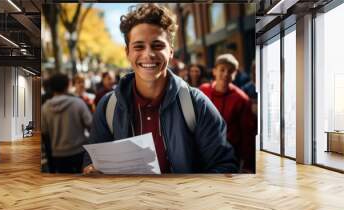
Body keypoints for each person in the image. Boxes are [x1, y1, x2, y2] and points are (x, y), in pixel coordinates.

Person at [83, 3, 238, 174]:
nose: (148, 54)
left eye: (157, 45)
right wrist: (92, 171)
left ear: (171, 51)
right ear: (127, 52)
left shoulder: (196, 104)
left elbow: (224, 166)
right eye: (139, 46)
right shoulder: (108, 106)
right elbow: (91, 160)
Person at [199, 54, 256, 172]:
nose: (226, 74)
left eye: (230, 71)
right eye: (222, 69)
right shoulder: (202, 91)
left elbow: (248, 134)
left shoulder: (242, 99)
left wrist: (248, 165)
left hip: (228, 156)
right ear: (214, 71)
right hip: (202, 151)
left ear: (234, 75)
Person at [41, 74, 93, 173]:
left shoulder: (45, 108)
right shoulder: (78, 103)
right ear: (68, 85)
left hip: (58, 154)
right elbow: (91, 125)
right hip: (79, 151)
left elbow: (44, 131)